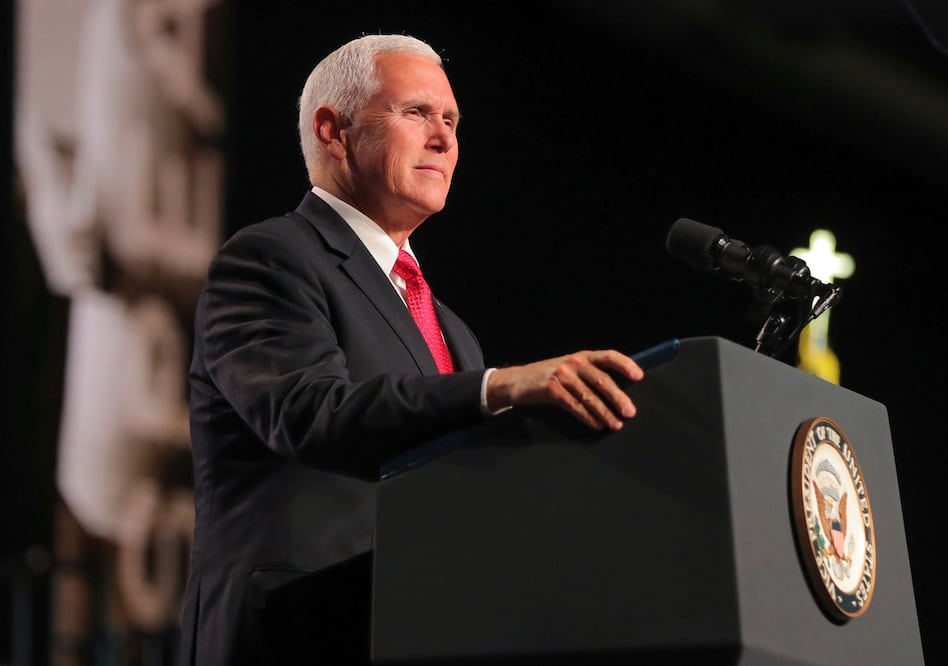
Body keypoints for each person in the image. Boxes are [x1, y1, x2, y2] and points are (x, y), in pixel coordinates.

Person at [178, 33, 644, 665]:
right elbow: (307, 412)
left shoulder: (452, 329)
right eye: (417, 112)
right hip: (293, 633)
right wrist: (497, 387)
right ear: (332, 130)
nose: (445, 138)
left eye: (451, 120)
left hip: (425, 632)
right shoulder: (269, 259)